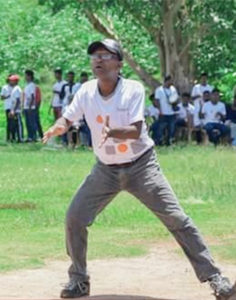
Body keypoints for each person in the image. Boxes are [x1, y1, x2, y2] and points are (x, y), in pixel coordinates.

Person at [42, 39, 234, 299]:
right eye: (94, 56)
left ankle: (215, 278)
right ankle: (79, 280)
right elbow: (69, 117)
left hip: (141, 166)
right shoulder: (86, 91)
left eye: (105, 55)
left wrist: (113, 131)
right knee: (74, 218)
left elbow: (135, 131)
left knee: (176, 218)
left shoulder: (132, 89)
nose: (98, 60)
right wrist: (58, 127)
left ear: (119, 64)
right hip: (105, 170)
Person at [154, 75, 179, 146]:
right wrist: (160, 110)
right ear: (167, 81)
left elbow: (176, 98)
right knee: (161, 128)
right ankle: (159, 142)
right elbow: (157, 101)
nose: (172, 82)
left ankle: (169, 142)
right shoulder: (159, 90)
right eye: (170, 80)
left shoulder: (173, 89)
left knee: (171, 129)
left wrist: (174, 102)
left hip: (172, 112)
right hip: (163, 113)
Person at [23, 70, 37, 142]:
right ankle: (29, 136)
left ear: (29, 76)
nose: (25, 77)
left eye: (26, 75)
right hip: (26, 106)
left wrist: (30, 107)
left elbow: (32, 96)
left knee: (31, 122)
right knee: (27, 123)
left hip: (30, 107)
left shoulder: (32, 85)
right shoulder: (27, 85)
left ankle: (33, 136)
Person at [9, 75, 23, 143]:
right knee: (14, 125)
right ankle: (16, 138)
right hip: (14, 109)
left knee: (19, 124)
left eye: (12, 80)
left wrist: (13, 110)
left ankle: (20, 138)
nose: (10, 82)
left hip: (17, 110)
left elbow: (18, 100)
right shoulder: (14, 89)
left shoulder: (17, 89)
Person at [0, 74, 13, 142]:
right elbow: (1, 97)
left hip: (14, 107)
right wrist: (8, 96)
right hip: (8, 106)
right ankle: (8, 137)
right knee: (9, 122)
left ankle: (14, 136)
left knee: (14, 122)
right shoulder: (5, 87)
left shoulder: (15, 87)